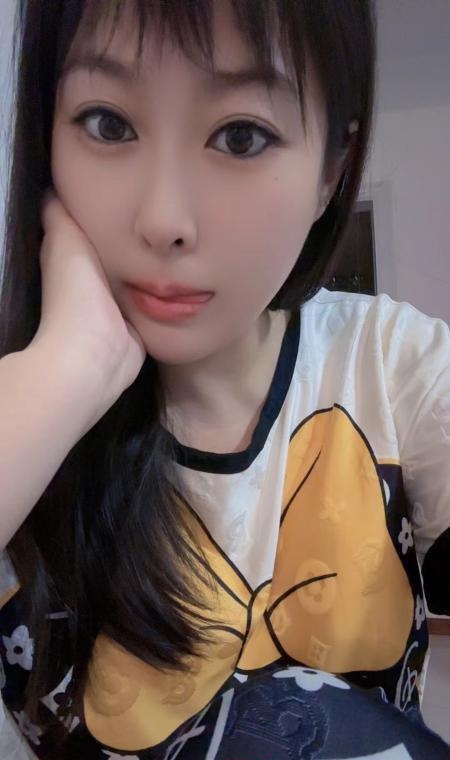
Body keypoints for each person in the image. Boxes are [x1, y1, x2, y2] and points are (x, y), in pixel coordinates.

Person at [0, 1, 449, 758]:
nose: (164, 220)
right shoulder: (20, 405)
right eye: (108, 124)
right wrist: (70, 372)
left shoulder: (390, 365)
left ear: (331, 170)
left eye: (241, 136)